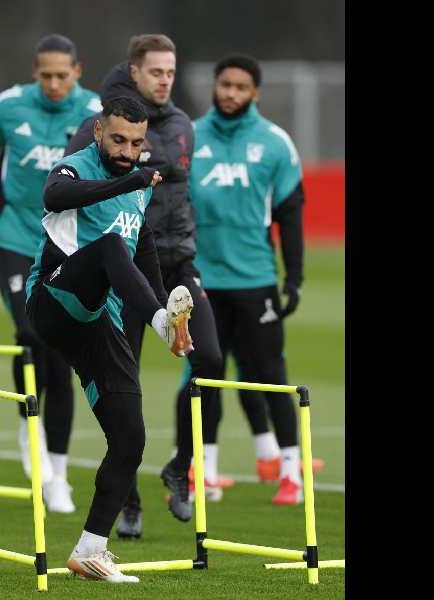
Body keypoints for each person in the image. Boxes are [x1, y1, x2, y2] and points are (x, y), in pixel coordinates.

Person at [26, 96, 194, 583]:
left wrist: (165, 305)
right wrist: (129, 181)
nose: (126, 149)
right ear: (99, 130)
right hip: (54, 300)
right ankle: (162, 324)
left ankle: (90, 550)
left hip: (100, 322)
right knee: (107, 247)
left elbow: (146, 262)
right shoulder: (75, 166)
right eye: (117, 139)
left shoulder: (139, 190)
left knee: (130, 438)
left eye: (136, 143)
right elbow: (53, 198)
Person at [65, 33, 226, 537]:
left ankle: (180, 466)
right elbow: (70, 186)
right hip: (127, 272)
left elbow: (182, 195)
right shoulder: (100, 124)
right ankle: (128, 493)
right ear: (134, 72)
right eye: (155, 71)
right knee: (125, 388)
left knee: (211, 360)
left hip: (178, 264)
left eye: (171, 72)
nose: (164, 80)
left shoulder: (182, 125)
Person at [0, 34, 103, 513]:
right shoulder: (9, 106)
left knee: (60, 354)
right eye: (45, 75)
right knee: (29, 331)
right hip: (12, 240)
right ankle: (30, 427)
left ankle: (58, 474)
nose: (53, 84)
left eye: (62, 75)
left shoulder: (95, 113)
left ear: (77, 71)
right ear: (34, 71)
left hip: (64, 244)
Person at [188, 53, 321, 504]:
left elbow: (291, 215)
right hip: (202, 281)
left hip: (256, 278)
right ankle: (204, 471)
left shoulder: (275, 143)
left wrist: (294, 277)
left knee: (269, 373)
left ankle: (290, 471)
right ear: (214, 86)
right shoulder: (190, 137)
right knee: (206, 375)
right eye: (224, 84)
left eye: (241, 87)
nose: (230, 93)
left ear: (255, 93)